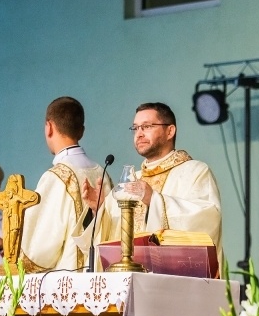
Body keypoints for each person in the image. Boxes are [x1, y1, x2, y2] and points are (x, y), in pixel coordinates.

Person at [77, 102, 222, 263]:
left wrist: (153, 200)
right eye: (135, 128)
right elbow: (106, 240)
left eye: (146, 127)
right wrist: (99, 210)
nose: (139, 134)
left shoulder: (195, 172)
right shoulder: (131, 181)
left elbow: (207, 221)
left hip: (169, 275)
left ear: (170, 131)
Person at [0, 96, 107, 273]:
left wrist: (13, 263)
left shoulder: (57, 177)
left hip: (68, 278)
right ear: (81, 131)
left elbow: (41, 249)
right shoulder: (102, 172)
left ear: (49, 127)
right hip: (99, 276)